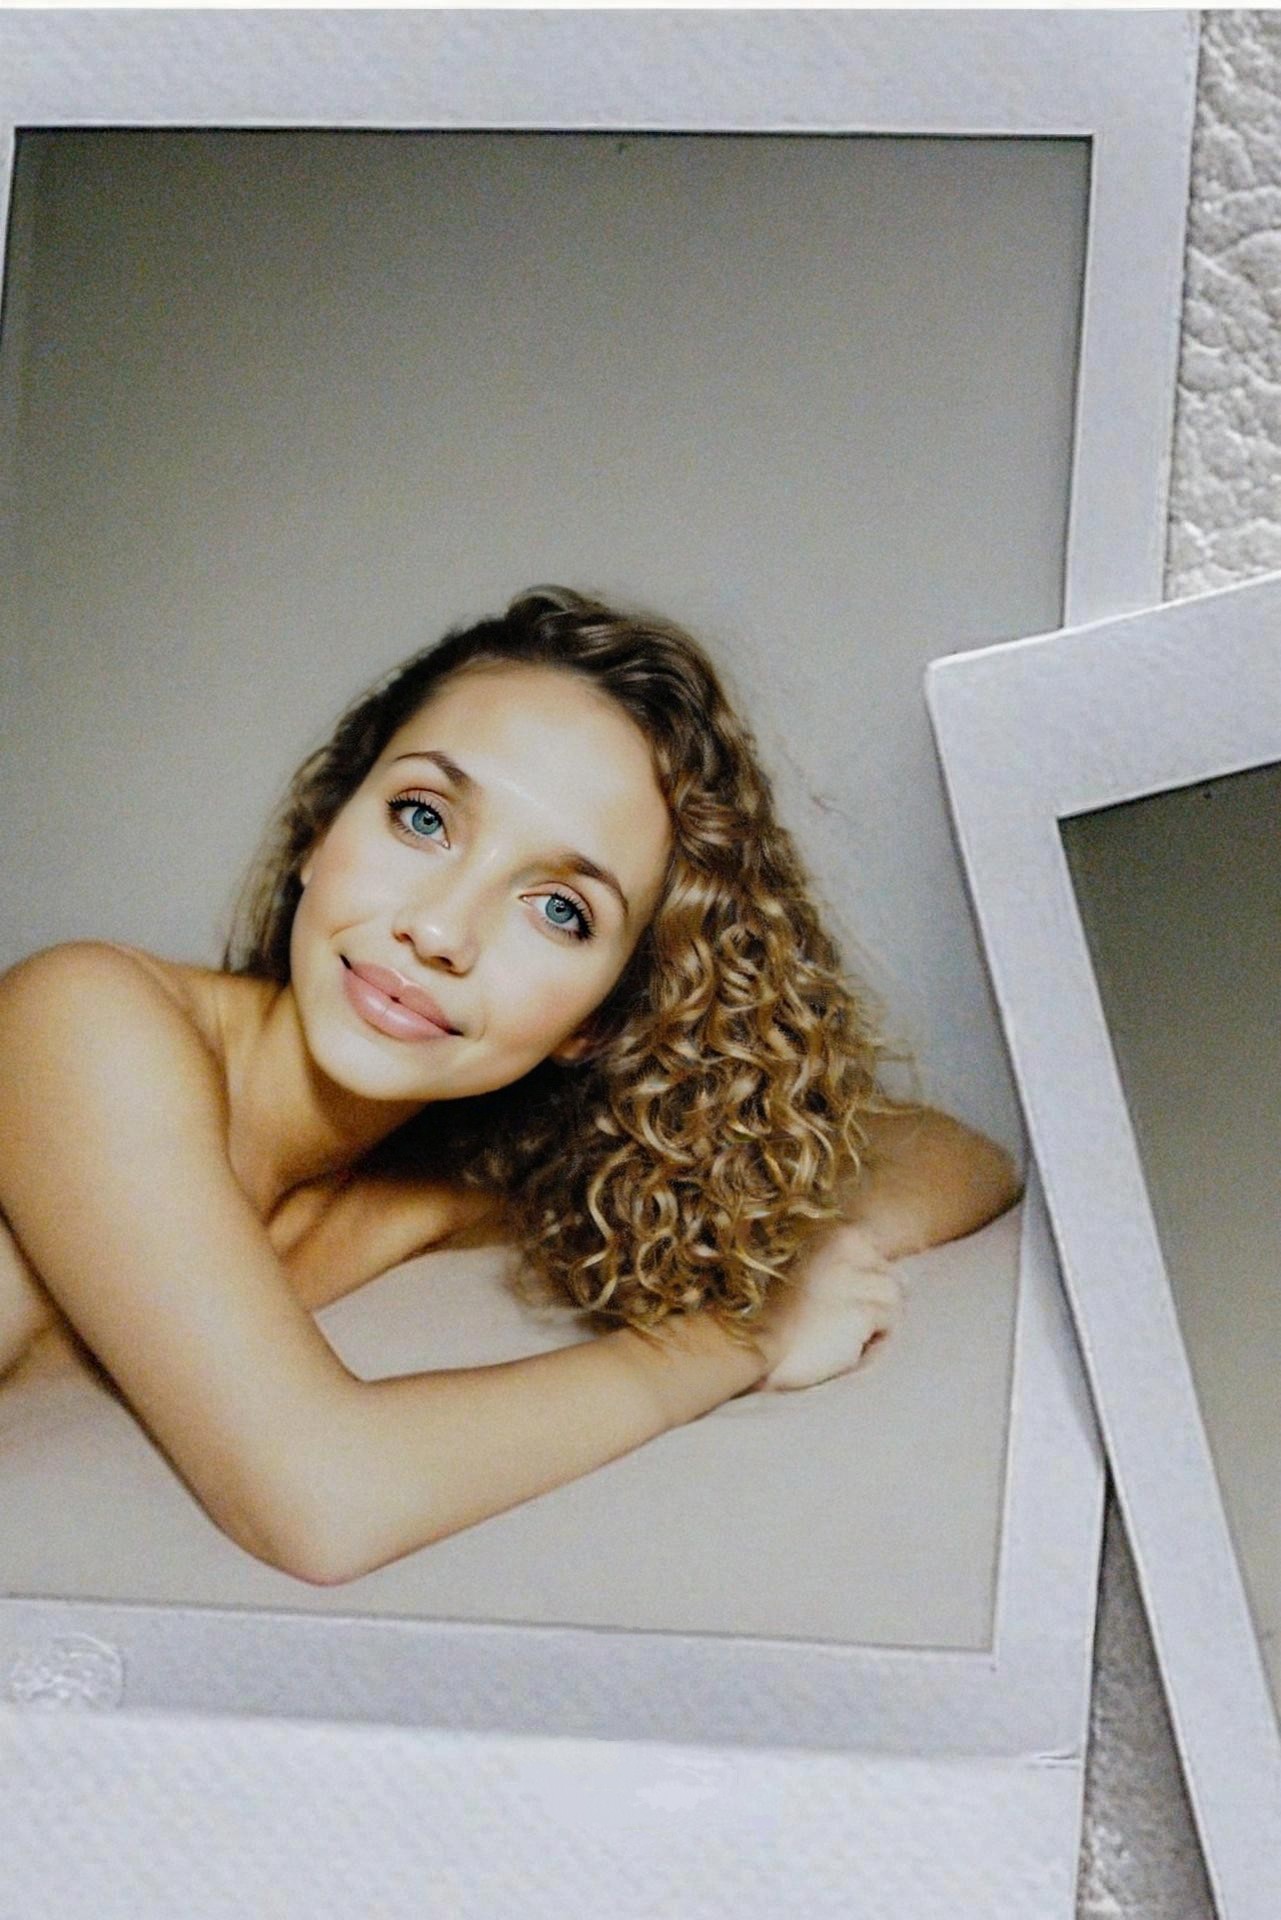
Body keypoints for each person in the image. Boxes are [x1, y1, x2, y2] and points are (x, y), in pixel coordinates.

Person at [0, 586, 1020, 1586]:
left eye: (560, 910)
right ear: (322, 827)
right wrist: (735, 1336)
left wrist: (805, 1253)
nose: (439, 931)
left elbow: (954, 1155)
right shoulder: (81, 1018)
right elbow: (321, 1498)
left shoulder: (450, 1190)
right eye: (421, 817)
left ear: (600, 1021)